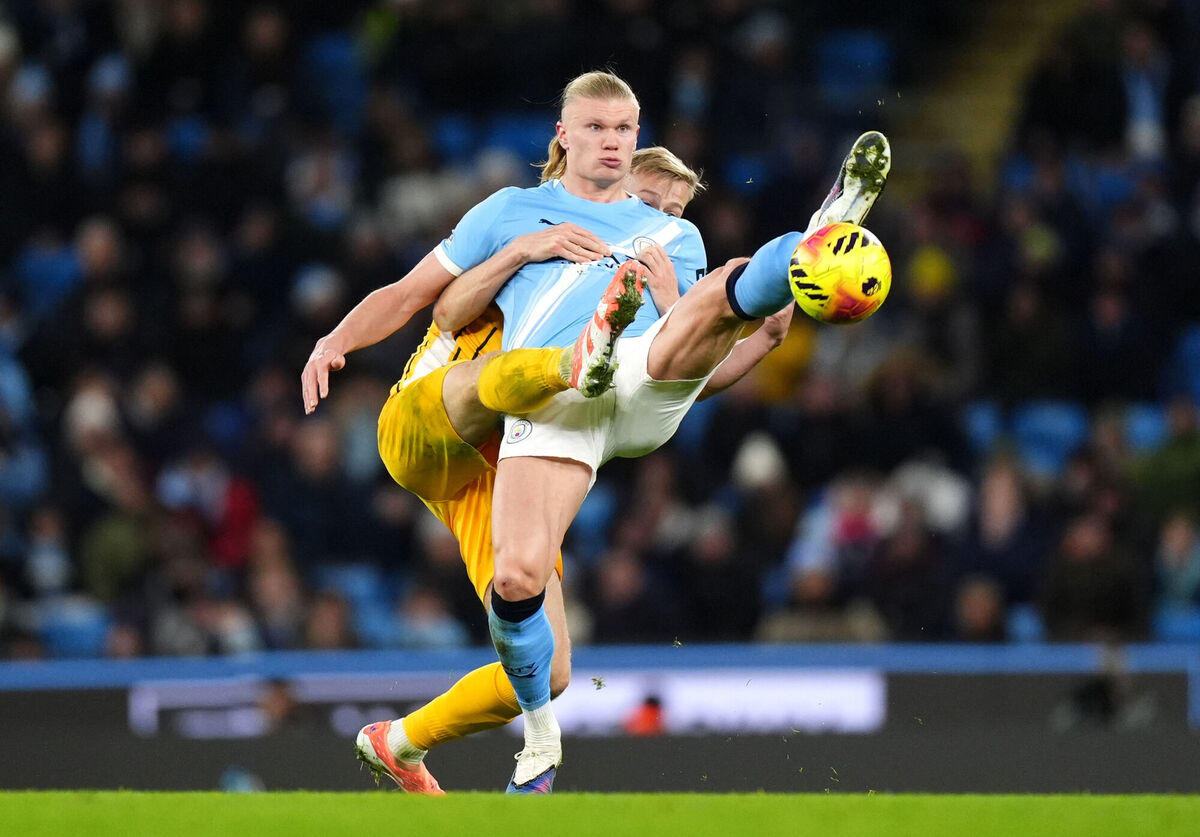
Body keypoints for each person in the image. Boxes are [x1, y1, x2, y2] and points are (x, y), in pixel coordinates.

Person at [304, 70, 889, 792]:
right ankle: (581, 359)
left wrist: (745, 327)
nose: (615, 146)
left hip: (576, 410)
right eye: (600, 131)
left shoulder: (674, 239)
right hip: (445, 415)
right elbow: (443, 308)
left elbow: (700, 364)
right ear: (566, 139)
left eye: (624, 130)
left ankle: (400, 741)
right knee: (522, 388)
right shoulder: (517, 215)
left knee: (546, 666)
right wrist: (340, 336)